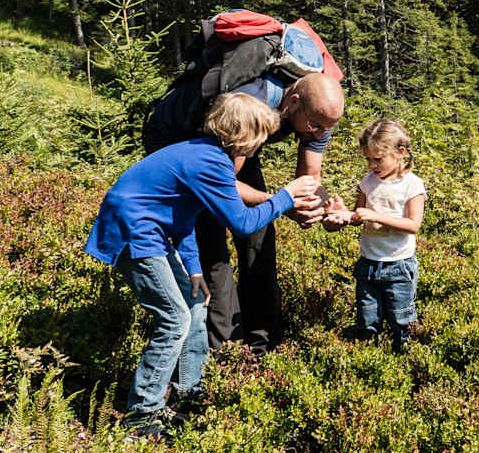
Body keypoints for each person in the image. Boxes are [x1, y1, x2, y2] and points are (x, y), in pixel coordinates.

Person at [85, 93, 320, 438]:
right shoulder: (208, 162)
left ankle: (188, 396)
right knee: (174, 318)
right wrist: (286, 196)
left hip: (151, 231)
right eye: (262, 138)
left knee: (195, 305)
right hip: (133, 232)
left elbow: (184, 217)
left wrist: (194, 269)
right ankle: (142, 415)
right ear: (248, 136)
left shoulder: (207, 156)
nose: (262, 145)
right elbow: (242, 223)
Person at [144, 69, 348, 354]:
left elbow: (310, 179)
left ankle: (262, 344)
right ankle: (223, 348)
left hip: (242, 146)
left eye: (328, 128)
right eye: (315, 126)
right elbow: (223, 184)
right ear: (294, 101)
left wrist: (327, 209)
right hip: (184, 143)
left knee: (260, 235)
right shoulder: (253, 99)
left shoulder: (318, 116)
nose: (320, 134)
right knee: (212, 242)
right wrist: (279, 201)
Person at [324, 118, 426, 352]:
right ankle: (370, 359)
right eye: (368, 159)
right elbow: (360, 216)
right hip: (368, 263)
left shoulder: (412, 185)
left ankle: (404, 359)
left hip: (399, 265)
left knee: (402, 319)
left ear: (400, 153)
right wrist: (342, 214)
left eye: (377, 159)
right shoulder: (368, 182)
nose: (371, 165)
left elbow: (413, 224)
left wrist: (376, 216)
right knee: (367, 317)